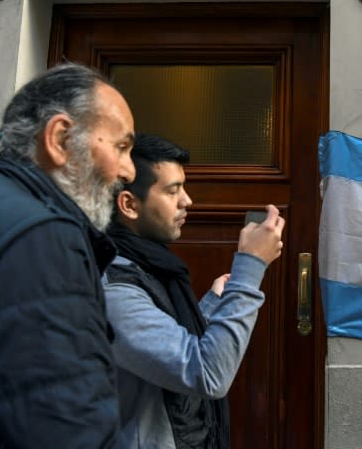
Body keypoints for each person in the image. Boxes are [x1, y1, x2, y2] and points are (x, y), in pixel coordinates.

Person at [0, 63, 136, 447]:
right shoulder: (41, 237)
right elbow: (61, 426)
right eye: (122, 147)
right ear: (59, 139)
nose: (127, 170)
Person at [102, 133, 285, 449]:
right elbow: (206, 373)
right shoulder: (114, 286)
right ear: (129, 204)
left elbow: (168, 350)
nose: (187, 200)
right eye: (173, 190)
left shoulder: (146, 266)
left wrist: (213, 305)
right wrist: (250, 267)